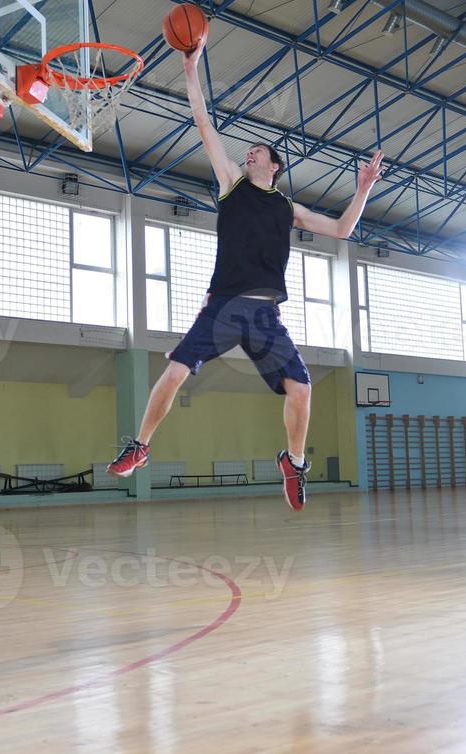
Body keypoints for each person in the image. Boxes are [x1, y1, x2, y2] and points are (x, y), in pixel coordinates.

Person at [107, 32, 384, 510]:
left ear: (275, 165)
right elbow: (203, 122)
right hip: (222, 307)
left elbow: (341, 229)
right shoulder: (232, 183)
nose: (249, 152)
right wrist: (192, 69)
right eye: (249, 150)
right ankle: (141, 446)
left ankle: (294, 463)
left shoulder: (288, 207)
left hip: (264, 317)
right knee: (173, 373)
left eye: (258, 150)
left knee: (301, 389)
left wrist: (362, 189)